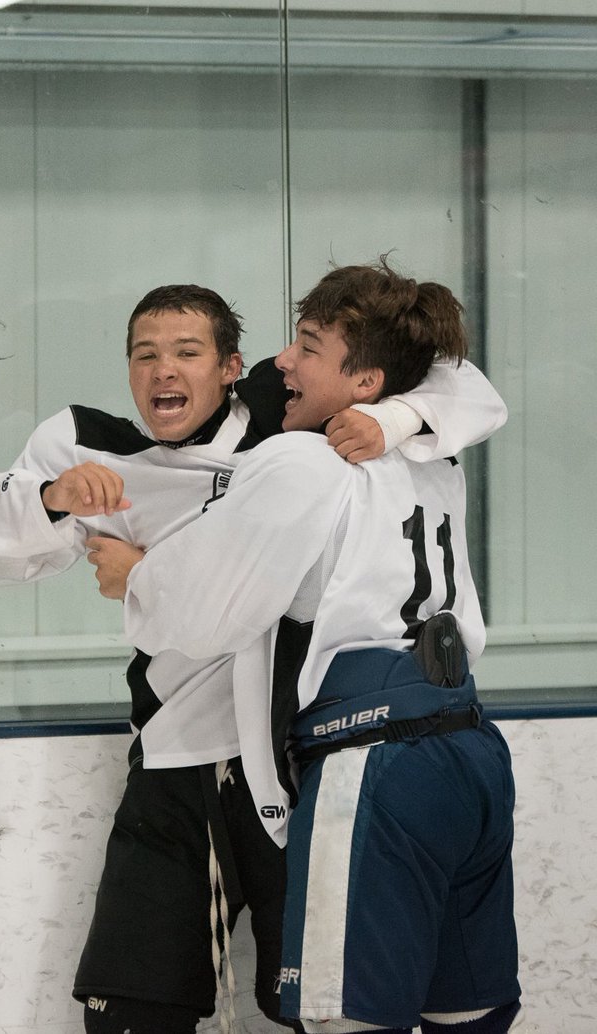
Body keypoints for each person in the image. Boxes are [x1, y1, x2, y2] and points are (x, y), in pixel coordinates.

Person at [0, 283, 506, 1033]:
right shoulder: (85, 444)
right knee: (133, 1008)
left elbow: (456, 382)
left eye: (187, 353)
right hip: (181, 755)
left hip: (303, 756)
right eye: (145, 355)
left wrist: (387, 417)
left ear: (234, 366)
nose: (163, 371)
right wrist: (51, 497)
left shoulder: (293, 419)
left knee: (316, 1004)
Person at [92, 259, 520, 1034]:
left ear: (366, 381)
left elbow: (202, 617)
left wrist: (138, 577)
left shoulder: (300, 458)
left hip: (376, 761)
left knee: (345, 1019)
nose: (282, 361)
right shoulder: (434, 448)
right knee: (467, 1012)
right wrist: (399, 418)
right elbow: (458, 384)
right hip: (473, 754)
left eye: (309, 346)